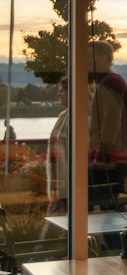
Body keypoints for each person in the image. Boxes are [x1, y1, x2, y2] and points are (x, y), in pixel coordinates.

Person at [88, 40, 127, 208]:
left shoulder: (109, 83)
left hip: (110, 159)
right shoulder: (110, 82)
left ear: (102, 59)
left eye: (88, 56)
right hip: (114, 156)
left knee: (111, 213)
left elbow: (111, 120)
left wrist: (101, 153)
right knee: (112, 211)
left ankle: (118, 235)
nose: (85, 61)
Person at [46, 75, 70, 214]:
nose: (58, 94)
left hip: (69, 186)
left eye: (62, 90)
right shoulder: (63, 115)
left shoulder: (81, 116)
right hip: (59, 185)